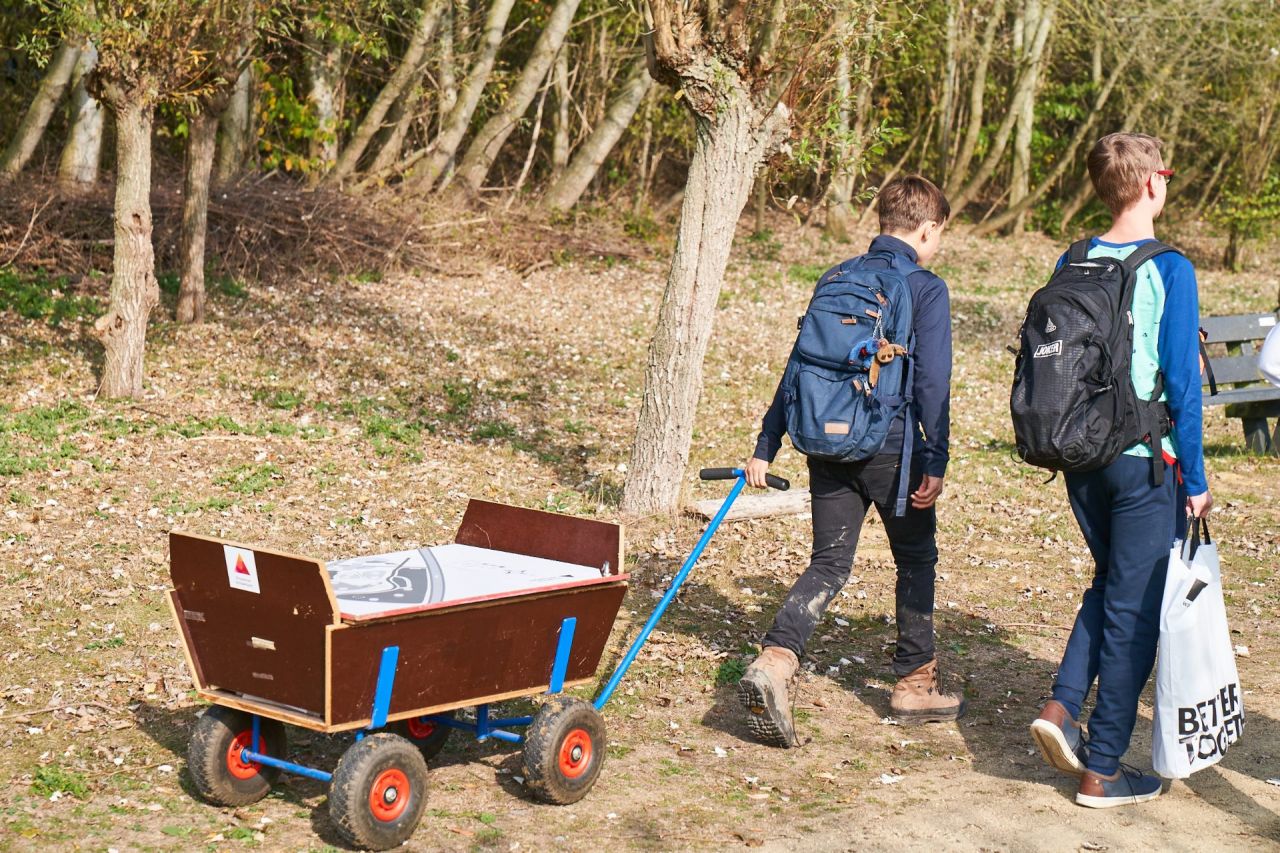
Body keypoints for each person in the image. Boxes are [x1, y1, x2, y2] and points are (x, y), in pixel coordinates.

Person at [737, 175, 962, 748]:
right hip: (891, 447)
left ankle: (776, 659)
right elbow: (933, 383)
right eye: (939, 233)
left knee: (830, 563)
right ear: (928, 228)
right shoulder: (925, 286)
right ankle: (914, 681)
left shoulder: (836, 277)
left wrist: (768, 442)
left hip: (824, 440)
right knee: (914, 557)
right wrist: (934, 456)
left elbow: (798, 365)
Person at [1028, 132, 1212, 808]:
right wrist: (1195, 480)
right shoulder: (1170, 268)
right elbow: (1184, 392)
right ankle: (1102, 768)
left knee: (1111, 583)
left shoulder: (1071, 259)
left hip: (1080, 458)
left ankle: (1060, 705)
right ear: (1151, 184)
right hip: (1143, 465)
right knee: (1134, 612)